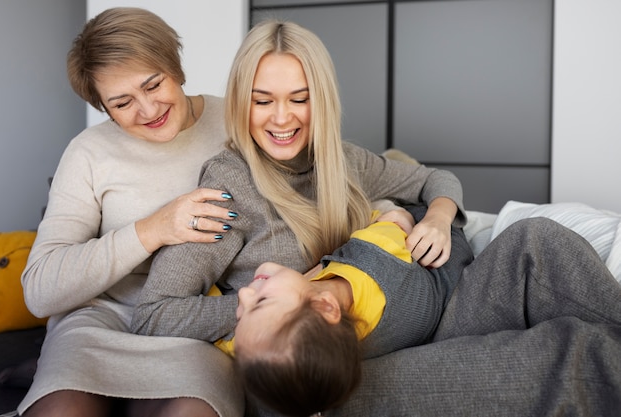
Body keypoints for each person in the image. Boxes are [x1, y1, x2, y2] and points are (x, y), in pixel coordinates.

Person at [130, 19, 467, 356]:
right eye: (262, 102)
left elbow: (433, 179)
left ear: (321, 100)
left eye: (299, 99)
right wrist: (276, 305)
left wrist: (438, 218)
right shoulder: (229, 187)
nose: (281, 118)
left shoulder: (341, 160)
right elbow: (154, 315)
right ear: (241, 105)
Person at [15, 7, 242, 417]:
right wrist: (152, 229)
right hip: (100, 323)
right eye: (122, 103)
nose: (148, 109)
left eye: (153, 84)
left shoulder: (237, 122)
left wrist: (393, 214)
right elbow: (40, 290)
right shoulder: (89, 152)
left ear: (176, 68)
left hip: (193, 323)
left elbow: (329, 177)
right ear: (104, 108)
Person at [234, 216, 621, 416]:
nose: (244, 292)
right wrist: (167, 228)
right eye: (256, 303)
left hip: (440, 314)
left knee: (534, 241)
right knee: (579, 358)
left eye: (297, 98)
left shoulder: (348, 177)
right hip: (322, 390)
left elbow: (425, 184)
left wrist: (426, 214)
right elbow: (172, 310)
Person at [232, 204, 473, 416]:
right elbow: (396, 219)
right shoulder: (376, 253)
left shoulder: (278, 346)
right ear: (325, 306)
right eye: (261, 301)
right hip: (440, 252)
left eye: (239, 317)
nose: (243, 295)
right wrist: (402, 219)